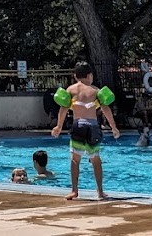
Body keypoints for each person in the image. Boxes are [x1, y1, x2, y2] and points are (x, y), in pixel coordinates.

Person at [51, 62, 121, 201]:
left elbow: (63, 109)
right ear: (89, 75)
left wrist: (58, 126)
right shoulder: (95, 91)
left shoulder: (70, 90)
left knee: (75, 160)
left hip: (78, 126)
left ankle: (74, 191)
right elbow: (106, 109)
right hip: (93, 127)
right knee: (96, 160)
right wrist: (113, 127)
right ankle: (100, 192)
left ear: (75, 76)